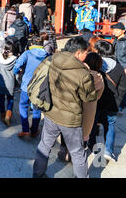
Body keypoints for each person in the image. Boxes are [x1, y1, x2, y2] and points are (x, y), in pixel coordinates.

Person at [32, 36, 97, 178]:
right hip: (70, 120)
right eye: (86, 52)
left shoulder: (53, 59)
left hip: (51, 113)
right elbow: (89, 97)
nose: (87, 55)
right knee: (78, 153)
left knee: (44, 146)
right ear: (78, 53)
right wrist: (88, 74)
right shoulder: (83, 74)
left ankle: (37, 174)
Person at [88, 40, 126, 162]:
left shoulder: (95, 65)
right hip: (112, 103)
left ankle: (93, 148)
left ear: (99, 51)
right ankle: (108, 151)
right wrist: (118, 101)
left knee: (93, 125)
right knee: (110, 126)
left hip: (96, 102)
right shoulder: (119, 67)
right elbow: (123, 87)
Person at [14, 36, 49, 138]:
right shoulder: (47, 56)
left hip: (26, 86)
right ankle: (34, 131)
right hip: (40, 88)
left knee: (23, 106)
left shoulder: (27, 54)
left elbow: (17, 65)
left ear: (32, 44)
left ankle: (25, 129)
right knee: (36, 109)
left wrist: (16, 73)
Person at [0, 42, 17, 126]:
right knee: (10, 99)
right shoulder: (14, 59)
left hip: (0, 82)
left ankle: (2, 115)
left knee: (1, 99)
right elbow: (16, 73)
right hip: (10, 82)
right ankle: (8, 116)